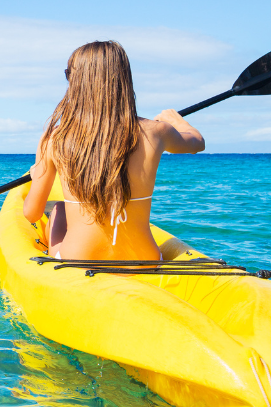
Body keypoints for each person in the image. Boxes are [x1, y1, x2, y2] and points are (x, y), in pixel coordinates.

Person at [23, 41, 205, 261]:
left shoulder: (54, 138)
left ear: (76, 81)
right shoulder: (158, 131)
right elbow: (197, 143)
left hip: (77, 260)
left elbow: (32, 213)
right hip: (146, 260)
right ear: (124, 79)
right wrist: (178, 122)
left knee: (60, 210)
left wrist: (37, 174)